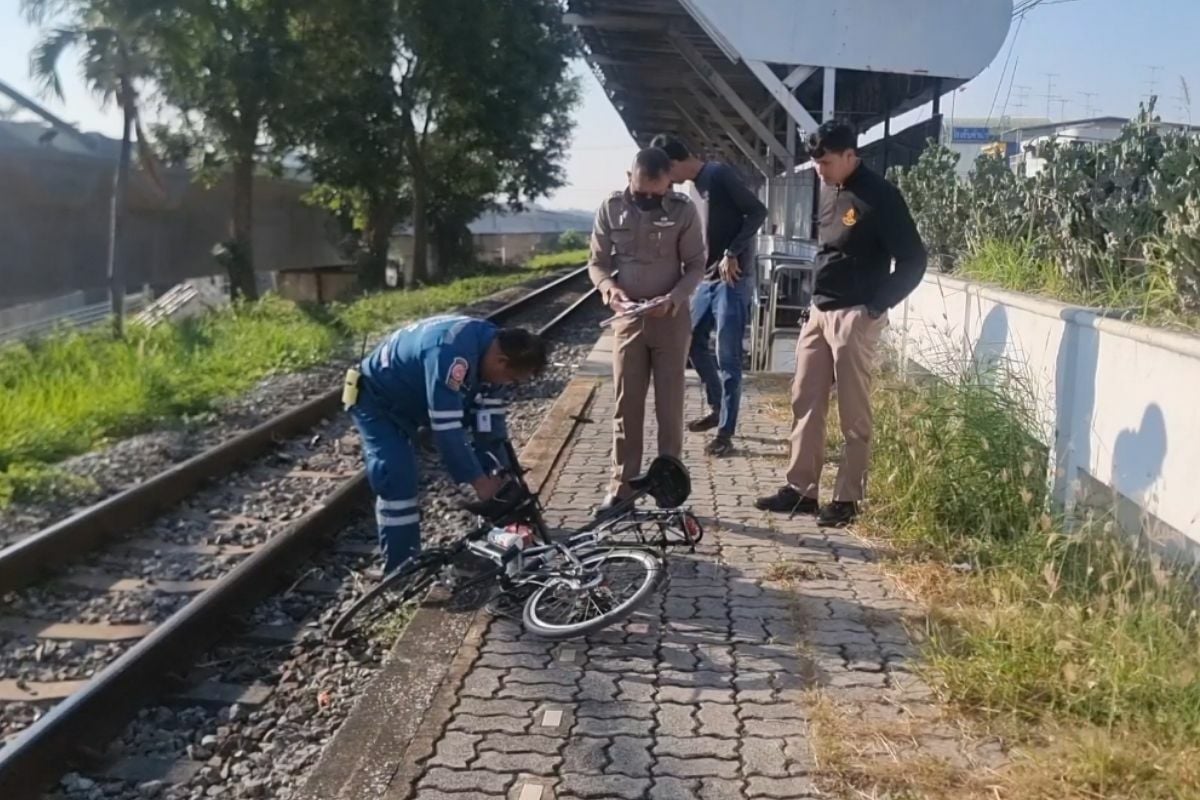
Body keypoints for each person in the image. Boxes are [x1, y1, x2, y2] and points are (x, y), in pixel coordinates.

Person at [756, 121, 927, 527]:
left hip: (856, 315)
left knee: (853, 411)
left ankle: (848, 499)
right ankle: (801, 491)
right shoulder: (829, 188)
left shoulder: (880, 196)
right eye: (816, 163)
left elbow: (914, 259)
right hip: (819, 311)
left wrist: (875, 307)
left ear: (851, 155)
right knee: (805, 401)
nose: (820, 169)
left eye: (827, 162)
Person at [347, 316, 548, 572]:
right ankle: (401, 570)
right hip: (378, 401)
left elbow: (490, 426)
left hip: (414, 398)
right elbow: (447, 427)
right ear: (501, 362)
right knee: (397, 475)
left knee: (493, 472)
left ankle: (504, 536)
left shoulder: (495, 349)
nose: (508, 385)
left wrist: (503, 477)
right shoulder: (452, 354)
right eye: (512, 380)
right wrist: (479, 481)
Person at [588, 147, 707, 512]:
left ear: (668, 185)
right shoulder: (611, 208)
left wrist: (674, 298)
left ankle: (667, 489)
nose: (649, 202)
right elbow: (597, 264)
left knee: (669, 407)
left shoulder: (684, 211)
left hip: (670, 321)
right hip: (628, 321)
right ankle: (622, 488)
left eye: (657, 196)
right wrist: (611, 292)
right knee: (627, 405)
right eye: (642, 195)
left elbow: (696, 264)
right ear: (630, 178)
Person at [651, 134, 768, 457]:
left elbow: (758, 212)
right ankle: (717, 406)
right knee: (692, 343)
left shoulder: (719, 175)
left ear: (674, 164)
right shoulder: (693, 187)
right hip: (706, 278)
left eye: (666, 173)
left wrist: (734, 251)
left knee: (728, 358)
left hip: (732, 279)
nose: (667, 181)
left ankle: (726, 434)